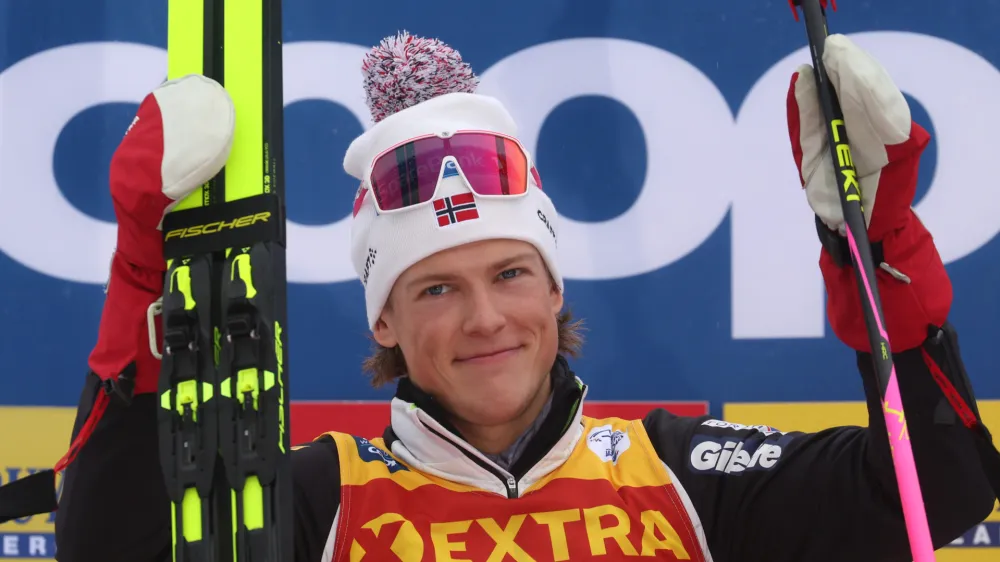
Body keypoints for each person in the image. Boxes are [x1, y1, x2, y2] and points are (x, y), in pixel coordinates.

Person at [9, 30, 999, 561]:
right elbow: (117, 549)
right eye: (435, 287)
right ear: (385, 320)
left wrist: (880, 254)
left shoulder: (680, 475)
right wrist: (145, 272)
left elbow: (933, 496)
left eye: (509, 273)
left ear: (553, 284)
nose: (485, 318)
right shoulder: (316, 497)